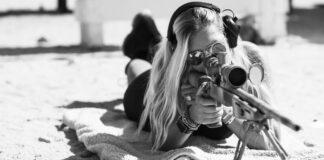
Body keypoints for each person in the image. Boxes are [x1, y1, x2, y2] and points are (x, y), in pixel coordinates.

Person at [123, 2, 280, 151]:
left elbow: (271, 140)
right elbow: (160, 142)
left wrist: (227, 109)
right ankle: (141, 41)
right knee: (136, 64)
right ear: (180, 58)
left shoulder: (249, 61)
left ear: (228, 39)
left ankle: (148, 33)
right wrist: (190, 117)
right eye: (196, 56)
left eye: (216, 47)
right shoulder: (168, 74)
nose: (209, 62)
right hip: (147, 91)